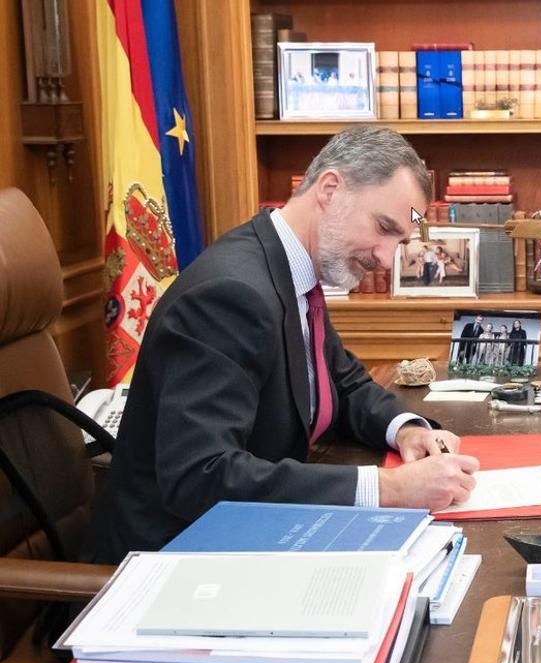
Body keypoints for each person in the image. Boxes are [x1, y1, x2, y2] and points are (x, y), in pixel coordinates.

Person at [85, 126, 479, 565]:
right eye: (383, 229)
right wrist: (389, 489)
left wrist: (407, 428)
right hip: (171, 563)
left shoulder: (293, 269)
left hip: (254, 538)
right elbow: (201, 476)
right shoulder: (232, 295)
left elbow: (342, 382)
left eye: (401, 241)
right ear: (330, 189)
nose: (386, 259)